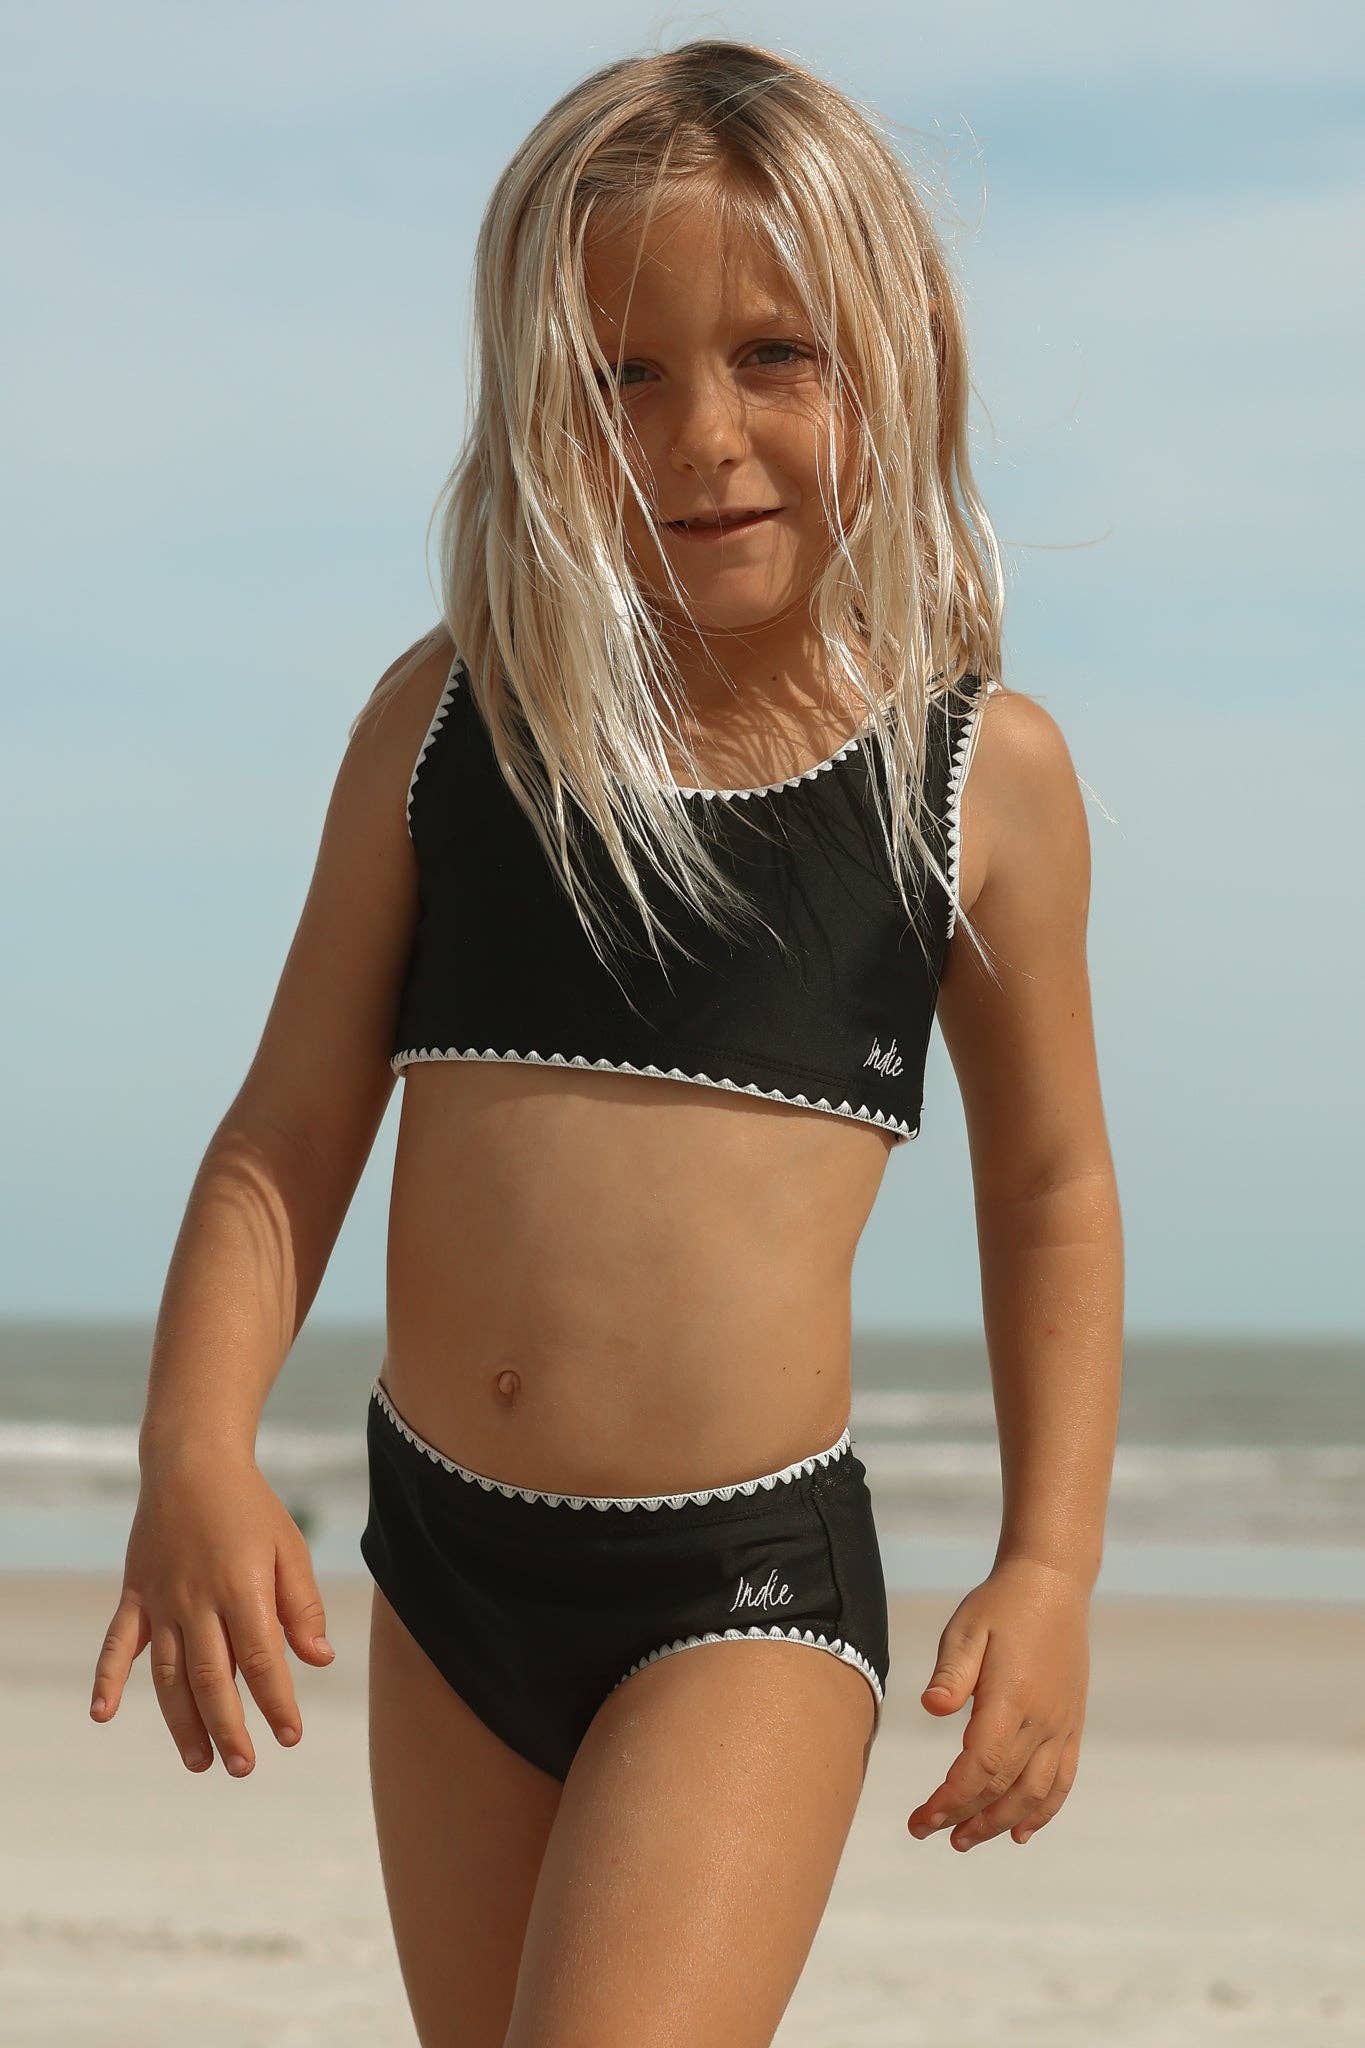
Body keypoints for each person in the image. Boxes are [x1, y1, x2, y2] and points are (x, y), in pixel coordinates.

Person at [89, 37, 1123, 2048]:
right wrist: (192, 1444)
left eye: (772, 355)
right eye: (620, 375)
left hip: (741, 1591)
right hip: (446, 1563)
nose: (699, 436)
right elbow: (284, 1137)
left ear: (894, 356)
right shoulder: (444, 730)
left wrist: (1052, 1563)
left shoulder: (970, 781)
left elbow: (1050, 1190)